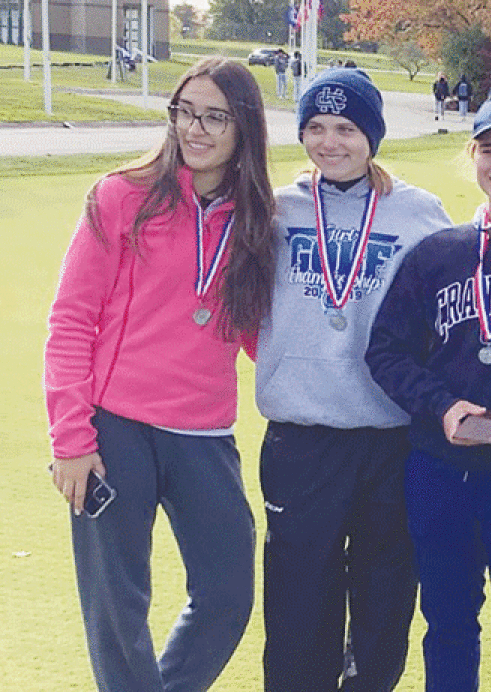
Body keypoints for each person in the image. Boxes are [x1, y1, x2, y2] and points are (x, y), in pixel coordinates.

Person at [44, 56, 274, 691]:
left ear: (243, 126)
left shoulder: (258, 220)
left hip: (203, 435)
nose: (195, 129)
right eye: (185, 112)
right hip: (115, 430)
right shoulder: (122, 195)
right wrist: (72, 440)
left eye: (214, 117)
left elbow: (260, 336)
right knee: (117, 611)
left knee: (227, 596)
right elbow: (69, 323)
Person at [255, 68, 452, 691]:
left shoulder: (419, 212)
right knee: (298, 598)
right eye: (315, 127)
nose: (330, 142)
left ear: (373, 135)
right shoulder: (274, 207)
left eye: (346, 128)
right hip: (302, 435)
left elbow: (454, 309)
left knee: (385, 592)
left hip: (391, 435)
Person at [365, 96, 491, 691]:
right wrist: (441, 403)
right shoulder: (438, 253)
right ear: (473, 157)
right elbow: (386, 352)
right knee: (448, 622)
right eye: (488, 151)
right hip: (440, 466)